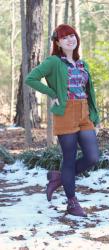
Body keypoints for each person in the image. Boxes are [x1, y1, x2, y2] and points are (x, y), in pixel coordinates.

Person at [25, 24, 100, 217]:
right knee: (69, 159)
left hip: (84, 113)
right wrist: (52, 93)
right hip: (65, 113)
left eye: (72, 36)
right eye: (65, 37)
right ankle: (72, 202)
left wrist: (94, 116)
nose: (70, 39)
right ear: (58, 42)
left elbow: (89, 93)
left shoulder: (83, 64)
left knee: (92, 157)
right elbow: (31, 78)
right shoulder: (53, 62)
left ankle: (58, 178)